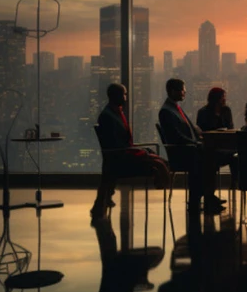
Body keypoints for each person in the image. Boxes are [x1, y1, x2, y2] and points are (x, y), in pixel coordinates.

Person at [93, 83, 171, 217]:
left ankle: (102, 202)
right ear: (115, 96)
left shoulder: (114, 113)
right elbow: (117, 145)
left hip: (121, 155)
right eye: (124, 94)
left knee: (157, 160)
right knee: (158, 163)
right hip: (121, 159)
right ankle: (162, 183)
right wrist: (142, 153)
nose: (126, 97)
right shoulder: (108, 116)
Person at [158, 78, 224, 213]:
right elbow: (176, 137)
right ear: (173, 91)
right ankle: (205, 196)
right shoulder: (166, 111)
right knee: (209, 158)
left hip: (189, 149)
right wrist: (196, 143)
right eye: (182, 90)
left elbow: (186, 129)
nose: (185, 92)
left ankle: (207, 196)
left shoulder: (174, 108)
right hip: (183, 152)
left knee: (211, 157)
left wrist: (198, 135)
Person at [196, 87, 238, 188]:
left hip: (225, 146)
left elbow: (230, 127)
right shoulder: (203, 112)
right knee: (217, 158)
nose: (225, 100)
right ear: (216, 99)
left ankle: (235, 183)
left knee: (236, 155)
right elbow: (202, 132)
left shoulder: (226, 110)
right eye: (223, 97)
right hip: (210, 148)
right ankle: (212, 191)